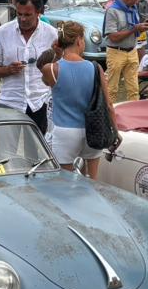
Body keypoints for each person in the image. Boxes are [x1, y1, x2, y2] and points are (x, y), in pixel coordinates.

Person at [39, 21, 112, 177]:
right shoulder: (95, 68)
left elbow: (47, 82)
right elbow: (109, 104)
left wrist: (58, 54)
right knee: (93, 179)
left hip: (65, 131)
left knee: (63, 182)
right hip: (93, 128)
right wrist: (115, 130)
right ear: (79, 40)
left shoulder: (51, 69)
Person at [0, 0, 56, 132]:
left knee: (37, 153)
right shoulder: (3, 32)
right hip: (10, 103)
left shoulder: (51, 33)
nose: (23, 19)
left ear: (38, 12)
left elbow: (60, 65)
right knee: (7, 151)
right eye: (19, 14)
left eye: (28, 15)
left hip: (40, 103)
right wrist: (7, 70)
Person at [97, 0, 147, 103]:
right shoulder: (112, 11)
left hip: (132, 51)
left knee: (134, 89)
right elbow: (113, 37)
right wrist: (134, 29)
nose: (136, 2)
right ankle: (110, 116)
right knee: (112, 89)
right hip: (116, 52)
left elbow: (134, 29)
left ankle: (134, 115)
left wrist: (141, 28)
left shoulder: (133, 9)